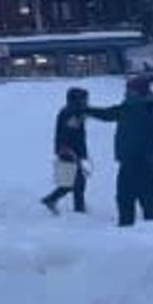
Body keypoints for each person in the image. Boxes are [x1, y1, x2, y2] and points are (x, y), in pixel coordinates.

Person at [86, 75, 153, 227]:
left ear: (137, 91)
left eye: (129, 89)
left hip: (137, 160)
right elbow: (109, 114)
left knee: (128, 196)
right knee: (145, 197)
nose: (126, 92)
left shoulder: (141, 108)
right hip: (138, 160)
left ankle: (128, 229)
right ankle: (150, 230)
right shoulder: (144, 107)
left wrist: (152, 156)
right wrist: (87, 110)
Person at [41, 87, 92, 215]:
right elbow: (66, 133)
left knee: (74, 182)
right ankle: (75, 209)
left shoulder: (74, 112)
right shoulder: (70, 113)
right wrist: (67, 149)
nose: (86, 101)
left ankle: (75, 207)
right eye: (84, 99)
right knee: (74, 182)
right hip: (68, 152)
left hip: (71, 151)